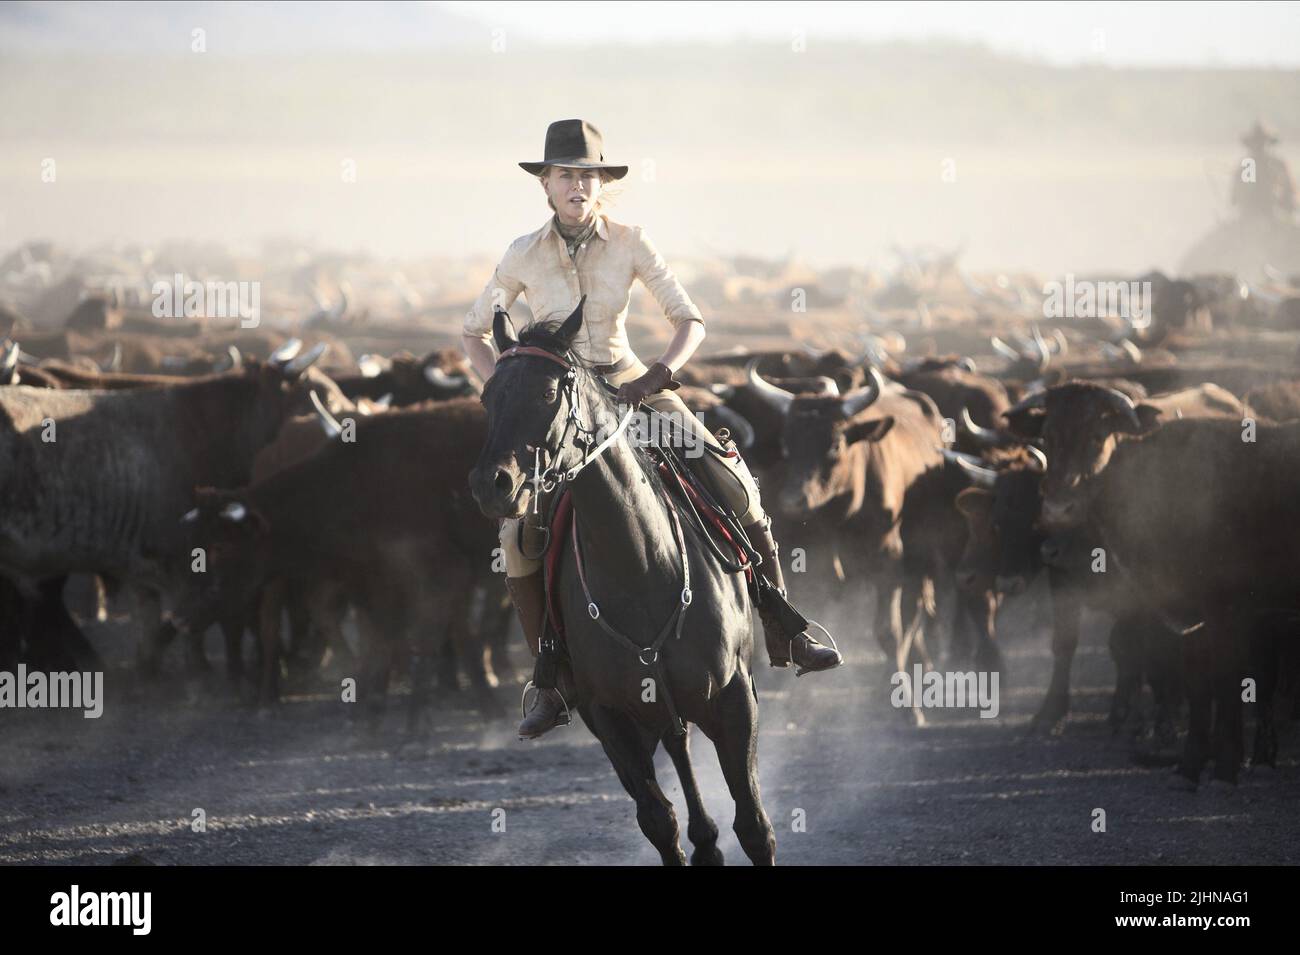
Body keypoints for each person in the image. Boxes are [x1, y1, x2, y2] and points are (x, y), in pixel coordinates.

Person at [462, 119, 841, 739]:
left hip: (633, 387)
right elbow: (472, 331)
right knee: (515, 542)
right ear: (547, 186)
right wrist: (501, 387)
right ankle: (551, 677)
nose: (577, 185)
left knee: (735, 485)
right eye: (565, 175)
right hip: (559, 409)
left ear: (601, 184)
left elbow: (689, 319)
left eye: (587, 175)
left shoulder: (632, 241)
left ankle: (782, 626)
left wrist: (658, 375)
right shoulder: (521, 254)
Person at [1232, 120, 1297, 223]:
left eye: (1261, 142)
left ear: (1267, 144)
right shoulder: (1246, 166)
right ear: (1251, 145)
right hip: (1249, 218)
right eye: (1256, 143)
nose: (1259, 147)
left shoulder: (1278, 166)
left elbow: (1289, 198)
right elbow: (1236, 198)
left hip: (1275, 217)